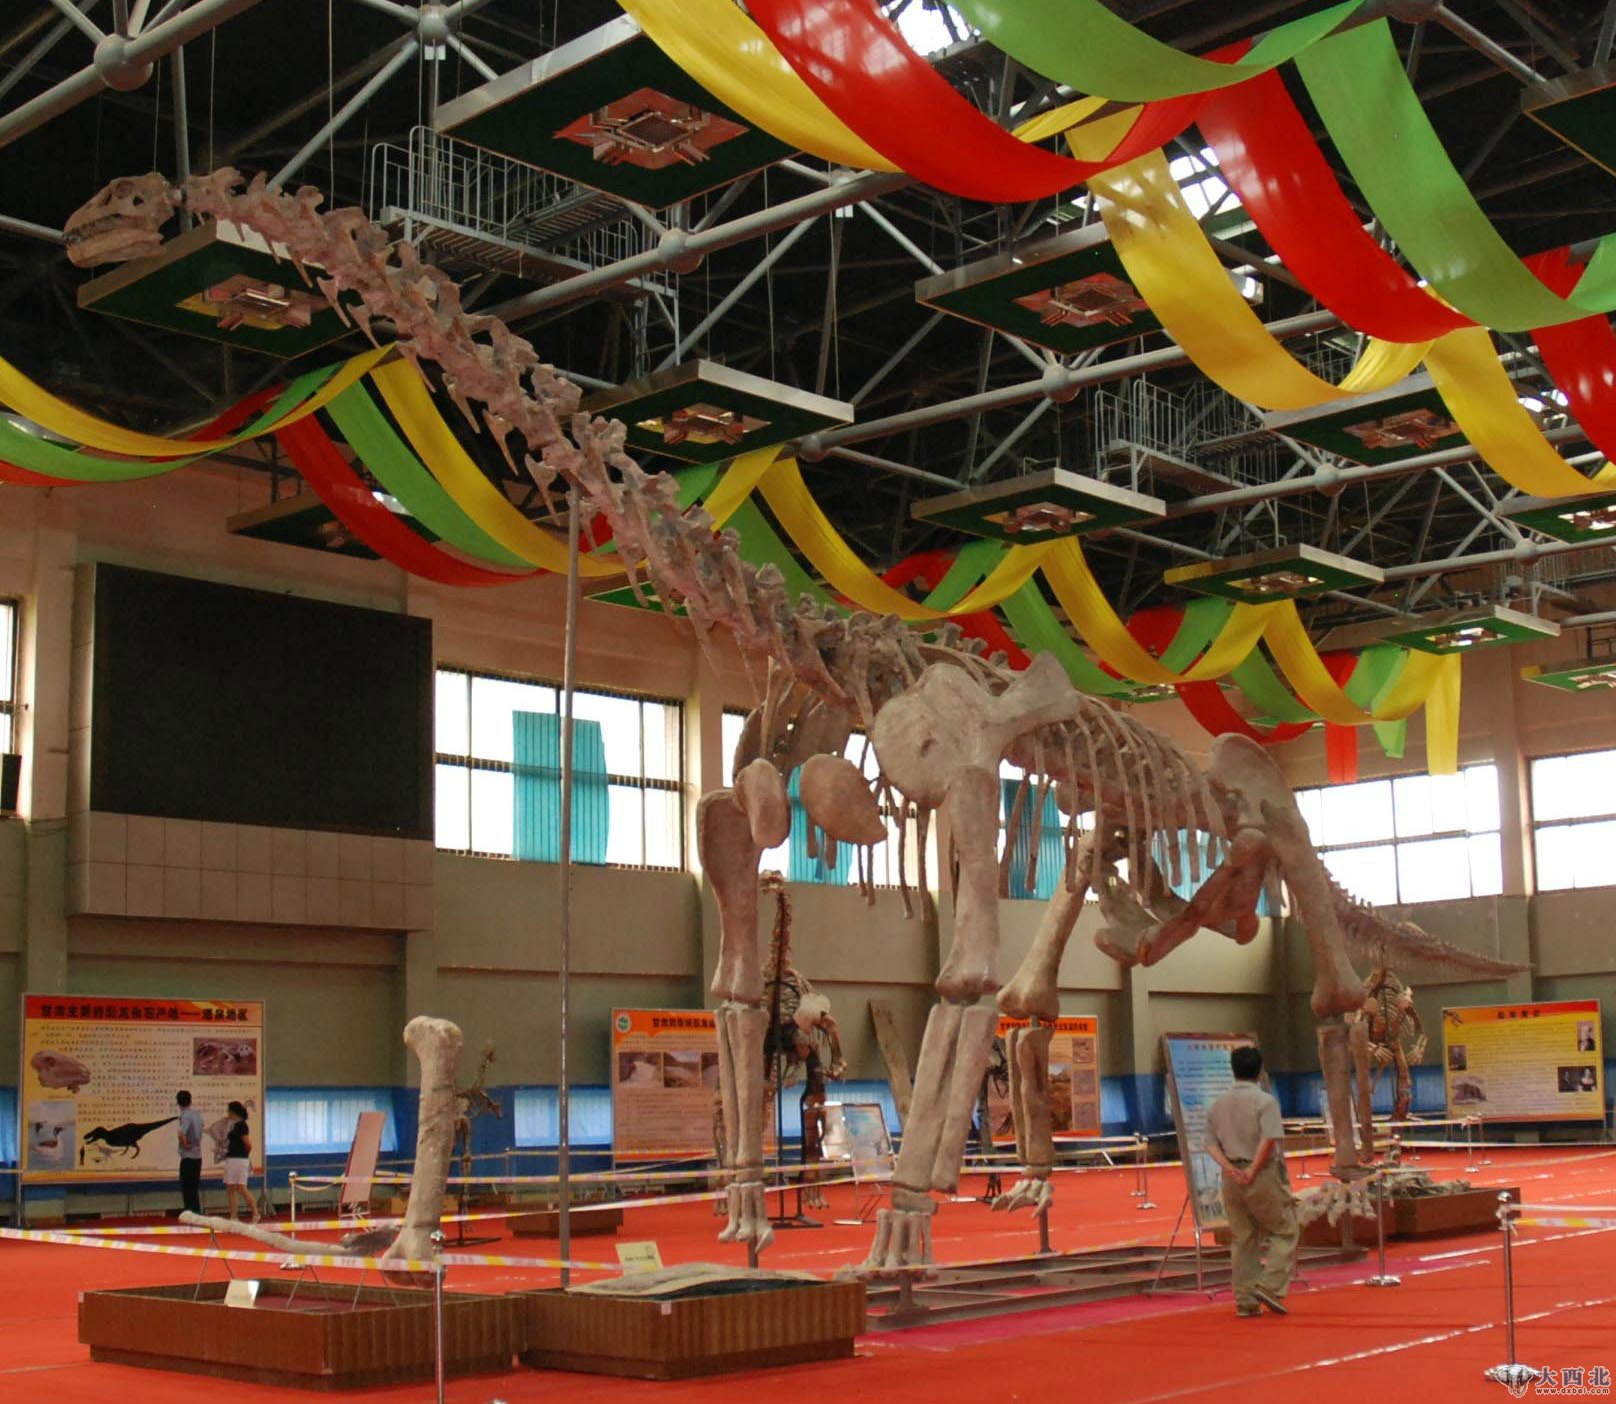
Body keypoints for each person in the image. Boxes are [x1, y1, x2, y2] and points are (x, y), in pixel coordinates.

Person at [1204, 1045, 1299, 1319]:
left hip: (1230, 1177)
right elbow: (1268, 1139)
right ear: (1260, 1071)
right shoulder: (1265, 1102)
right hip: (1261, 1174)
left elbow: (1210, 1144)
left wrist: (1230, 1169)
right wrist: (1252, 1170)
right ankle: (1270, 1285)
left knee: (1243, 1237)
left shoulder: (1217, 1104)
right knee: (1285, 1230)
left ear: (1232, 1070)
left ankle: (1245, 1300)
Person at [222, 1101, 257, 1223]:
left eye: (229, 1111)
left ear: (233, 1112)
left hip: (238, 1160)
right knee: (231, 1188)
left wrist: (243, 1154)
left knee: (241, 1188)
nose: (228, 1113)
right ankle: (233, 1216)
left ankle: (255, 1213)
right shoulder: (235, 1125)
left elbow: (248, 1144)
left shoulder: (242, 1125)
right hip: (233, 1159)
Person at [175, 1090, 203, 1216]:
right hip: (197, 1156)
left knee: (187, 1187)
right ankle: (196, 1211)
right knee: (194, 1187)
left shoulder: (185, 1115)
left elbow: (181, 1133)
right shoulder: (197, 1114)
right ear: (190, 1101)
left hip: (188, 1157)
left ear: (178, 1102)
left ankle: (190, 1212)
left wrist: (185, 1144)